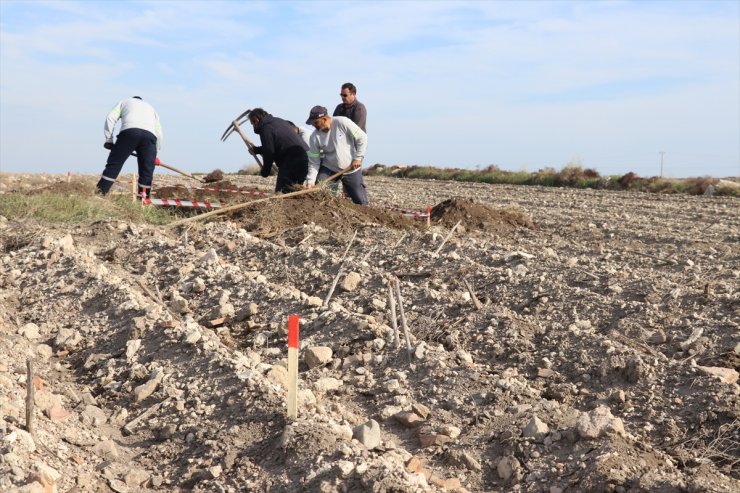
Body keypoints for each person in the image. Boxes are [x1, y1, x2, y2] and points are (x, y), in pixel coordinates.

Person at [97, 96, 162, 197]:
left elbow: (111, 117)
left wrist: (109, 139)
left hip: (129, 132)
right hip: (150, 136)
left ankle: (100, 194)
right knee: (146, 171)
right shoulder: (151, 108)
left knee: (115, 164)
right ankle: (143, 201)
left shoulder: (124, 102)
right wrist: (154, 153)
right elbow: (159, 132)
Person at [305, 105, 369, 205]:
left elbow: (362, 137)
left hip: (350, 167)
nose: (313, 125)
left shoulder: (342, 122)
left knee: (361, 202)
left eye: (315, 122)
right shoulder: (314, 137)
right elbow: (314, 162)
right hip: (330, 168)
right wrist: (310, 181)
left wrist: (358, 158)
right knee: (320, 194)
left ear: (324, 119)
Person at [248, 109, 309, 193]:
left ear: (256, 120)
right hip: (303, 159)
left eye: (252, 123)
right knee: (295, 193)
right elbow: (276, 145)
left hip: (291, 161)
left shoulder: (266, 129)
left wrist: (265, 171)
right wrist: (257, 150)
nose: (253, 127)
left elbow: (269, 152)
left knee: (281, 192)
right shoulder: (279, 121)